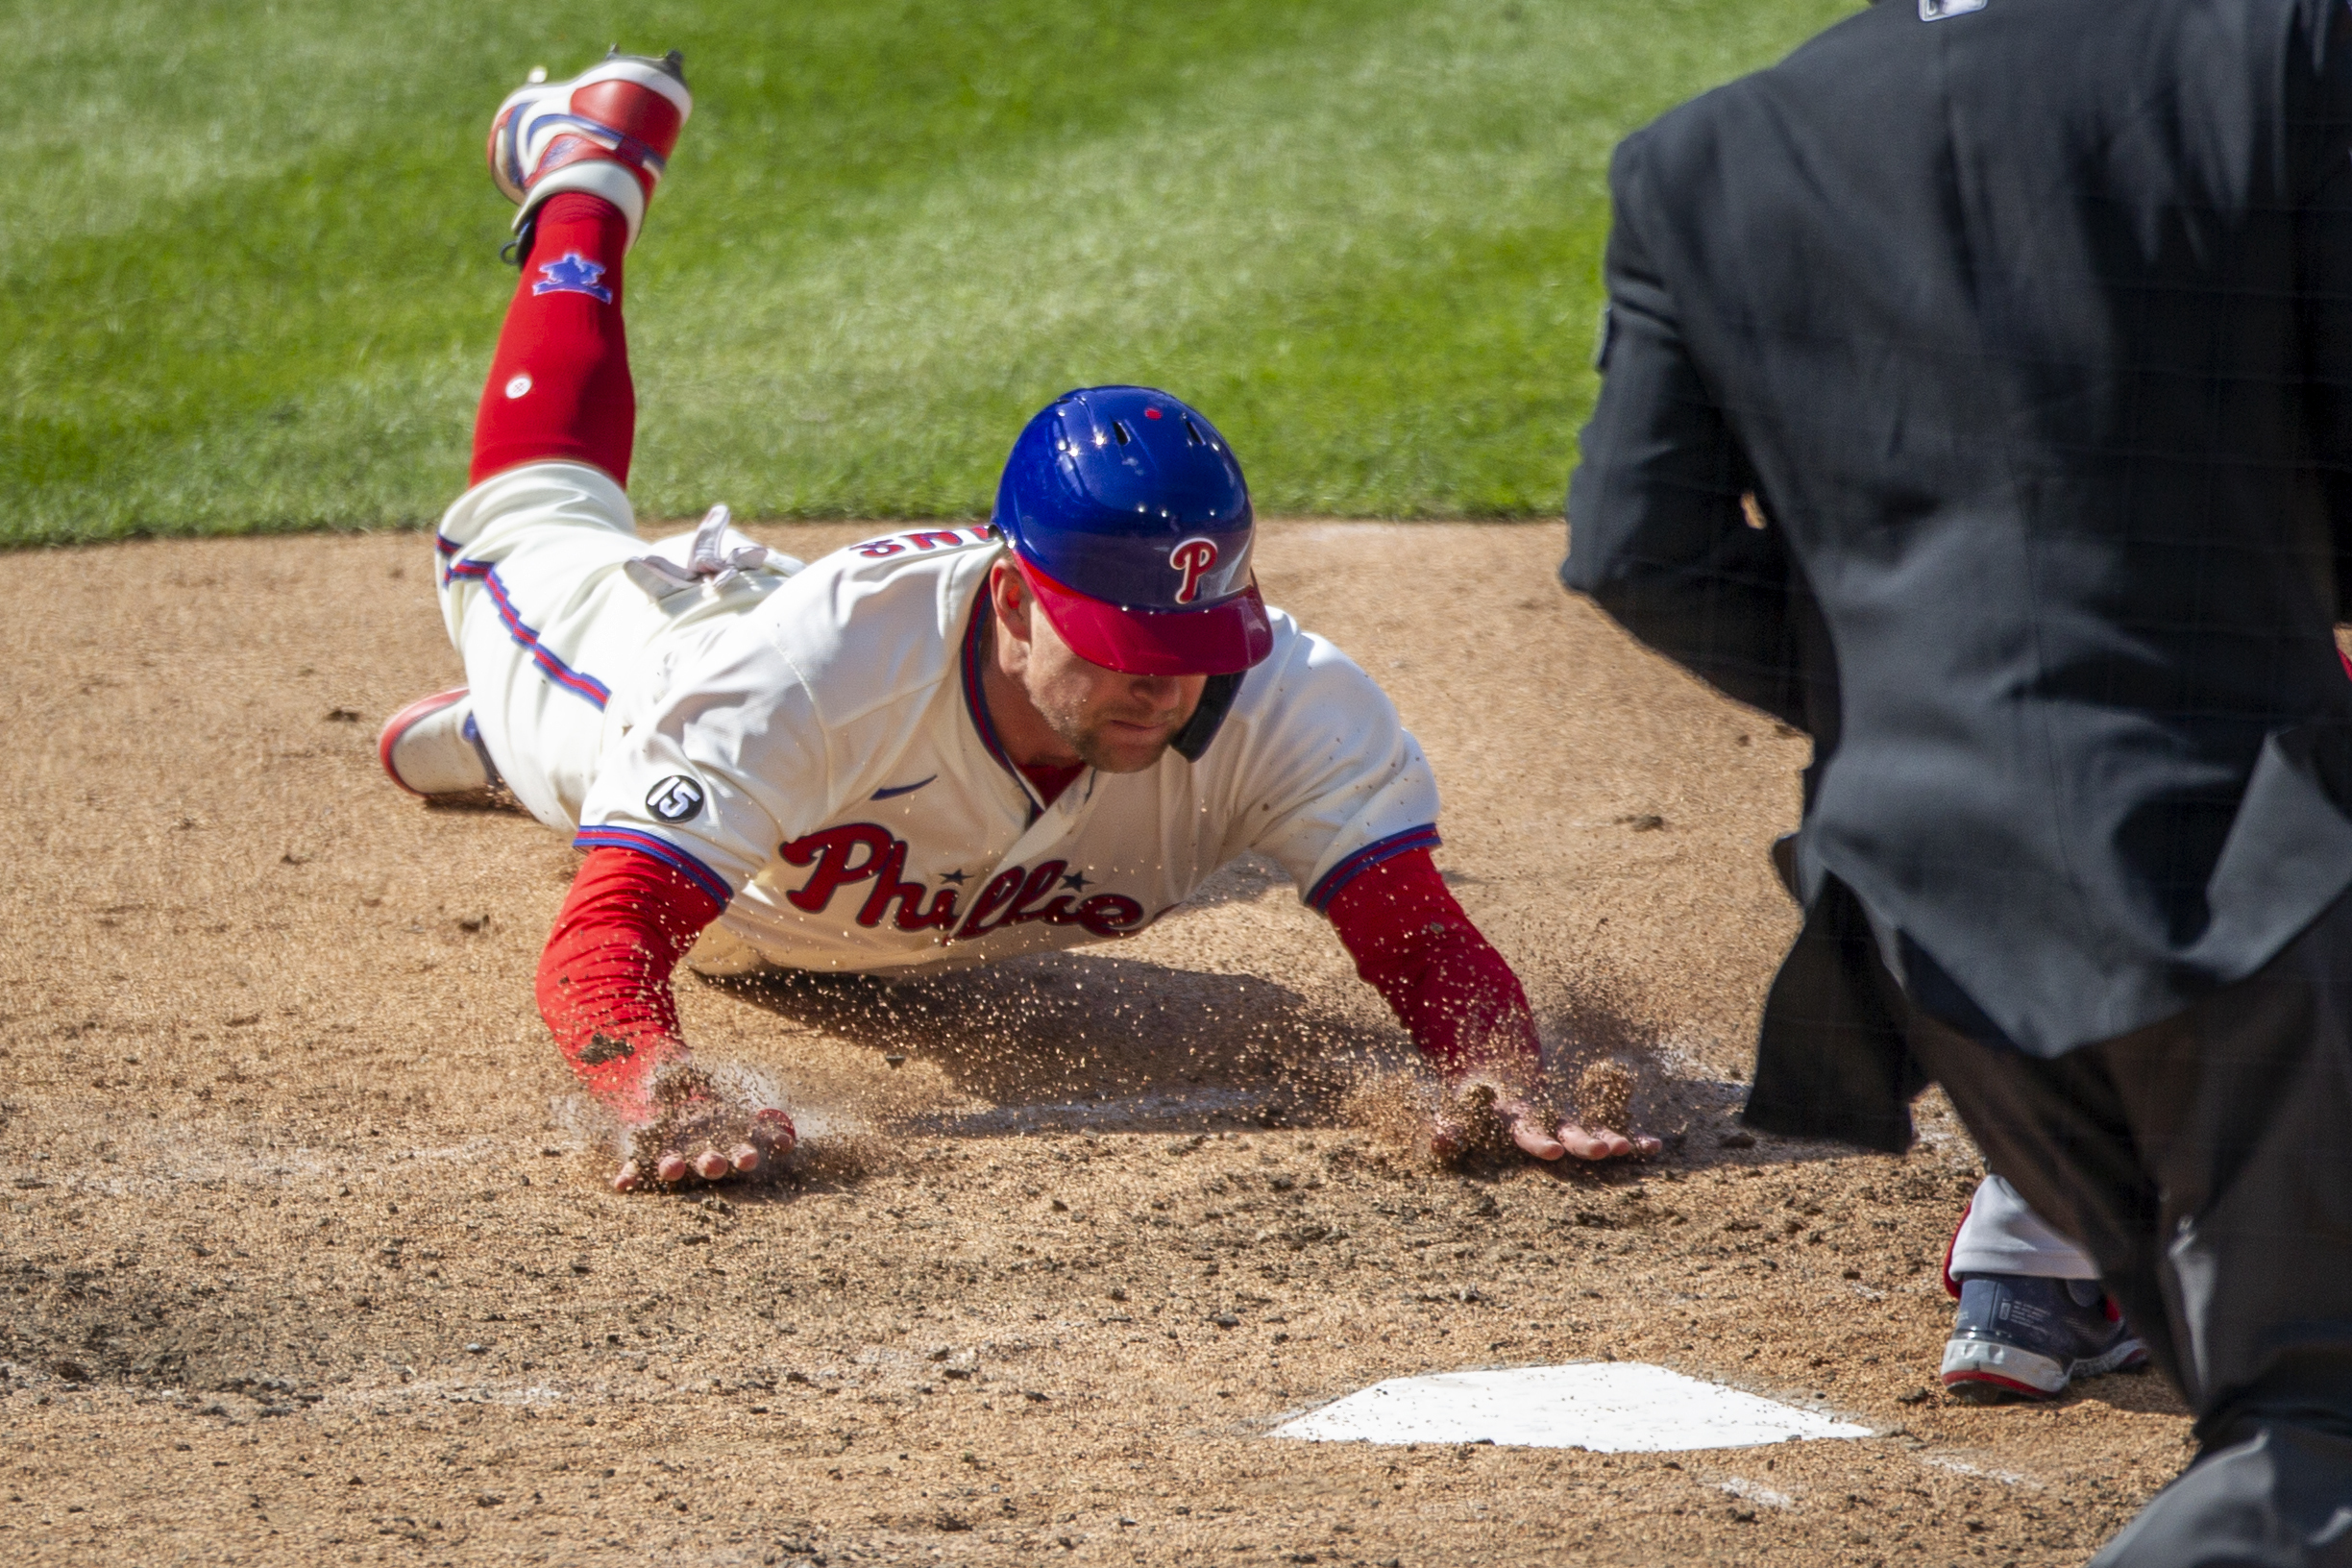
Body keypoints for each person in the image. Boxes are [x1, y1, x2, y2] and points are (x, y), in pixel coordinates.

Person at [383, 48, 1656, 1193]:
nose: (1164, 689)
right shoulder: (798, 678)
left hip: (811, 763)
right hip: (643, 678)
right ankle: (589, 172)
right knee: (529, 512)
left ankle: (502, 743)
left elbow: (1422, 935)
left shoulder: (1281, 699)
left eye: (1192, 651)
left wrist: (1491, 1067)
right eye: (1124, 652)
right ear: (1011, 596)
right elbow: (611, 934)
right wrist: (654, 1087)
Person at [1560, 0, 2352, 1556]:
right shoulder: (2272, 49)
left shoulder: (1704, 155)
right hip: (2232, 859)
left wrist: (1916, 697)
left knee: (2279, 1418)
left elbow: (1637, 550)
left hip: (1924, 916)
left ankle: (2041, 1271)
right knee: (2319, 1434)